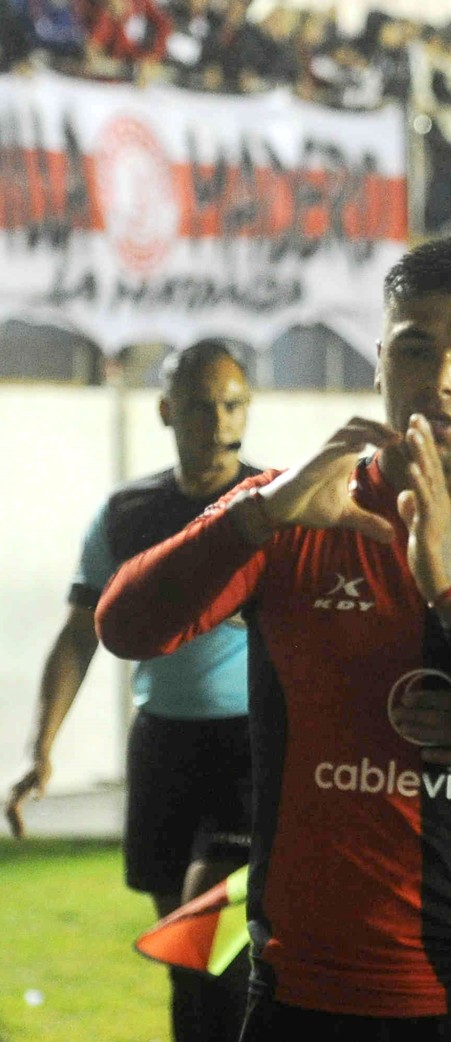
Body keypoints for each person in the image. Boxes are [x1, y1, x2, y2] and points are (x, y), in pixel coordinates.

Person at [95, 234, 451, 1041]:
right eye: (416, 349)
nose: (442, 379)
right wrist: (256, 515)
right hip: (309, 991)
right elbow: (124, 625)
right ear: (381, 362)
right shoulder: (293, 511)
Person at [5, 338, 256, 1042]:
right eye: (201, 405)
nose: (219, 420)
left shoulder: (272, 505)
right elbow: (80, 634)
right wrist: (41, 750)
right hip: (162, 745)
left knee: (210, 936)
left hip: (248, 747)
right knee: (184, 953)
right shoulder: (126, 515)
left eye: (233, 403)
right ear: (166, 410)